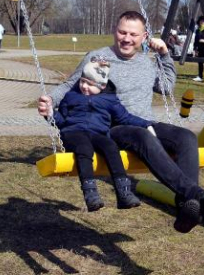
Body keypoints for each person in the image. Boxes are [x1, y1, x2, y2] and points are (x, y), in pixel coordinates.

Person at [37, 10, 204, 233]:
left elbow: (166, 87)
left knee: (186, 137)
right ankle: (197, 195)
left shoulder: (146, 62)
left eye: (133, 34)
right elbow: (71, 85)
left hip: (143, 122)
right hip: (112, 128)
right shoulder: (98, 57)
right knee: (141, 135)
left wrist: (164, 55)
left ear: (143, 37)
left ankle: (187, 209)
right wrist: (50, 100)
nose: (126, 38)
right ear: (115, 31)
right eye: (122, 32)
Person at [52, 57, 148, 211]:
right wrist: (50, 114)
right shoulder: (71, 96)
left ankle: (124, 193)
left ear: (102, 85)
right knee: (84, 148)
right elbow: (61, 120)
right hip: (73, 132)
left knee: (110, 146)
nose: (84, 86)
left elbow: (125, 117)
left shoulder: (109, 100)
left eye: (90, 84)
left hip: (97, 133)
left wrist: (147, 123)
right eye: (82, 81)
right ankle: (91, 195)